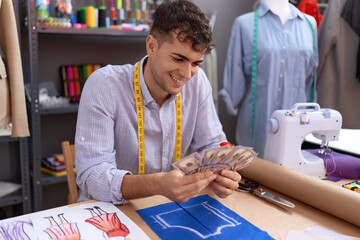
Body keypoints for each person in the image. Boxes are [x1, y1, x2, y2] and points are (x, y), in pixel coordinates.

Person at [75, 0, 241, 205]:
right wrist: (157, 185)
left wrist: (222, 169)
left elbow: (211, 144)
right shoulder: (104, 85)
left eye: (196, 63)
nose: (187, 74)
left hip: (165, 207)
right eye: (178, 59)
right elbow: (92, 176)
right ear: (151, 46)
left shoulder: (198, 82)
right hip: (109, 211)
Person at [219, 0, 318, 158]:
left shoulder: (309, 24)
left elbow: (310, 79)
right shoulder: (244, 24)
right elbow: (235, 71)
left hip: (296, 128)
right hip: (257, 126)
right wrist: (232, 99)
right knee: (254, 178)